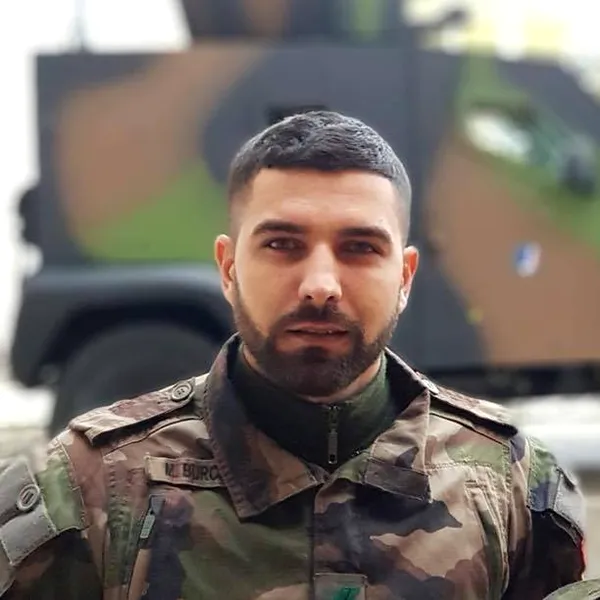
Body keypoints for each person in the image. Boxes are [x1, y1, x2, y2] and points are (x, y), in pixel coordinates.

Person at [0, 111, 586, 599]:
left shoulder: (509, 483)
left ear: (405, 277)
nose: (320, 285)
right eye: (282, 244)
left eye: (360, 247)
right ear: (229, 267)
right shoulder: (90, 487)